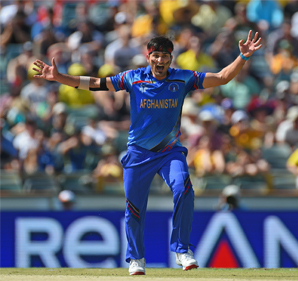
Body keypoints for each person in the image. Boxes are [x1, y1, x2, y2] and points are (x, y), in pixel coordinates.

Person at [32, 31, 262, 275]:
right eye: (156, 56)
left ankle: (182, 250)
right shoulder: (133, 78)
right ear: (148, 57)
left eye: (165, 57)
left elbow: (222, 77)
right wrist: (59, 77)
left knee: (183, 188)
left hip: (169, 152)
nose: (161, 62)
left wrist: (242, 57)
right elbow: (96, 84)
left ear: (171, 59)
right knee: (134, 209)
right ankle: (136, 259)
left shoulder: (183, 79)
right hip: (138, 154)